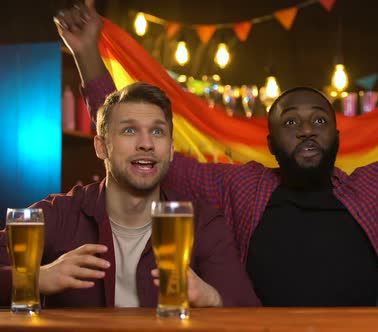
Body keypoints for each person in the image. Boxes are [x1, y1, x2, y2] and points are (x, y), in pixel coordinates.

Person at [54, 0, 378, 306]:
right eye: (290, 124)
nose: (307, 131)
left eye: (320, 121)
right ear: (271, 143)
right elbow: (145, 149)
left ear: (338, 136)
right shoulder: (240, 186)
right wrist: (87, 56)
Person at [0, 82, 260, 308]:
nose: (146, 143)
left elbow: (249, 311)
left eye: (157, 131)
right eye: (129, 130)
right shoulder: (60, 214)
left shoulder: (201, 223)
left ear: (170, 150)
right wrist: (34, 278)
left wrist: (210, 297)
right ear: (101, 147)